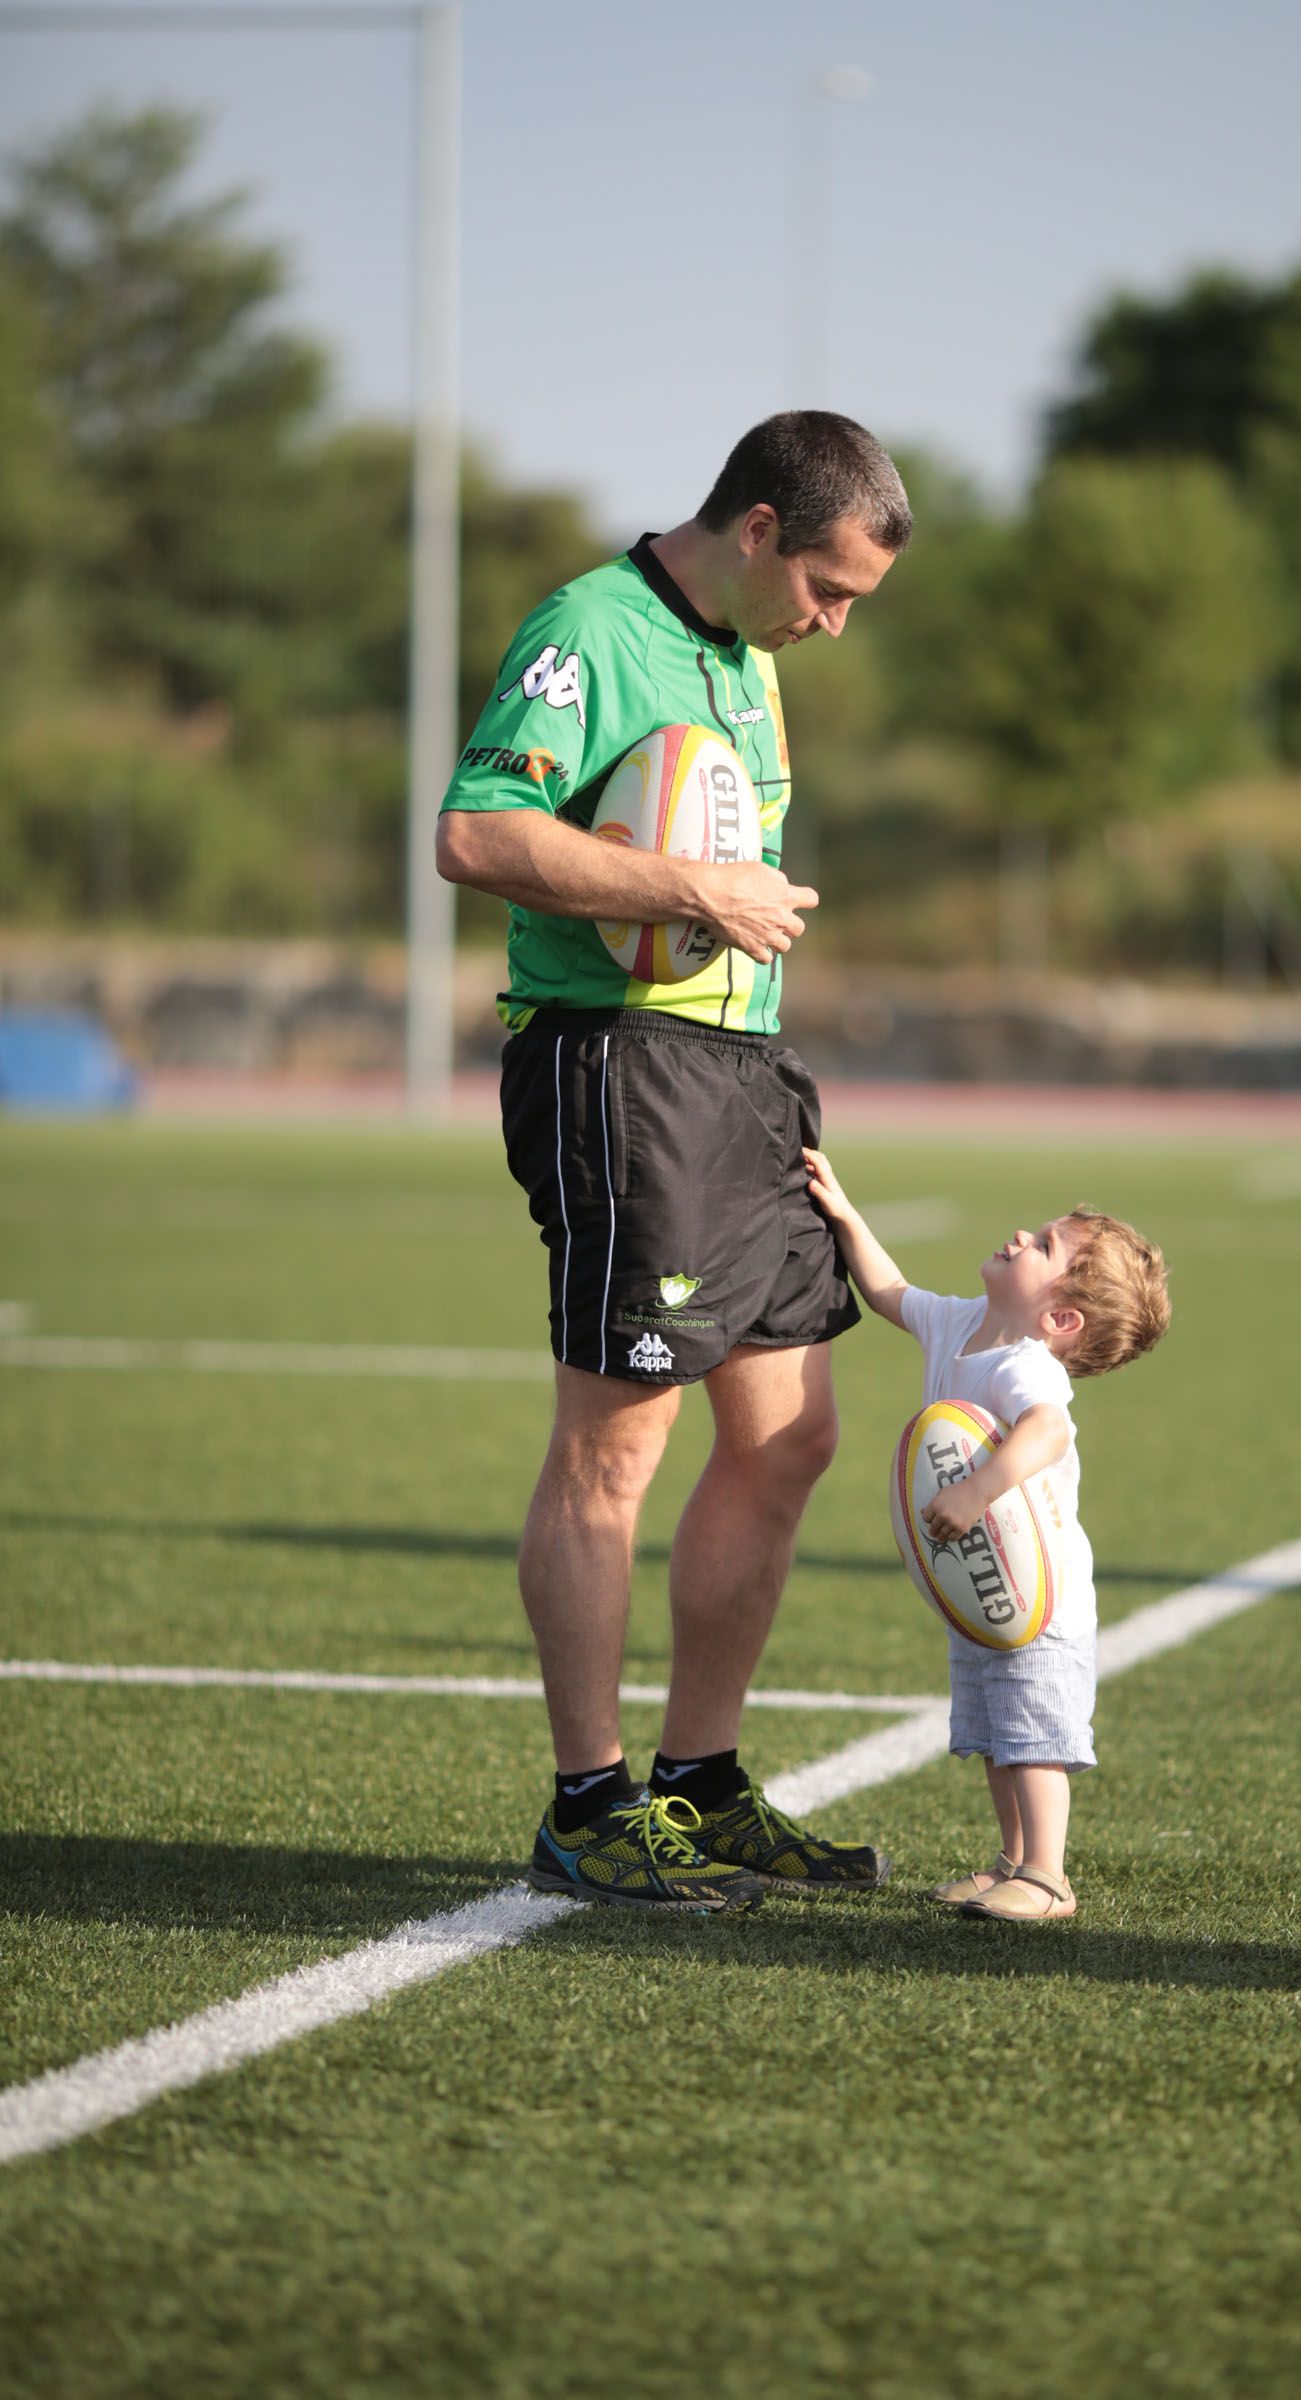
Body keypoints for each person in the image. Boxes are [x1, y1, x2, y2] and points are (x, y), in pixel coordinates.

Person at [436, 412, 913, 1913]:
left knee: (790, 1438)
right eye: (827, 589)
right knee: (618, 1443)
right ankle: (588, 1806)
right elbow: (474, 834)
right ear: (761, 527)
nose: (831, 625)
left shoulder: (754, 660)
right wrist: (688, 883)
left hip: (745, 1074)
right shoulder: (590, 630)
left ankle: (697, 1789)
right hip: (614, 1065)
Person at [802, 1147, 1170, 1923]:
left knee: (1034, 1735)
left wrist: (977, 1489)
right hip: (985, 1580)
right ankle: (1009, 1859)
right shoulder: (963, 1324)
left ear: (1059, 1319)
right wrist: (844, 1214)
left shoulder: (1027, 1366)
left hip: (1042, 1601)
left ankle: (1048, 1876)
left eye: (1044, 1246)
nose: (1020, 1237)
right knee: (997, 1735)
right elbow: (889, 1292)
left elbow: (1048, 1433)